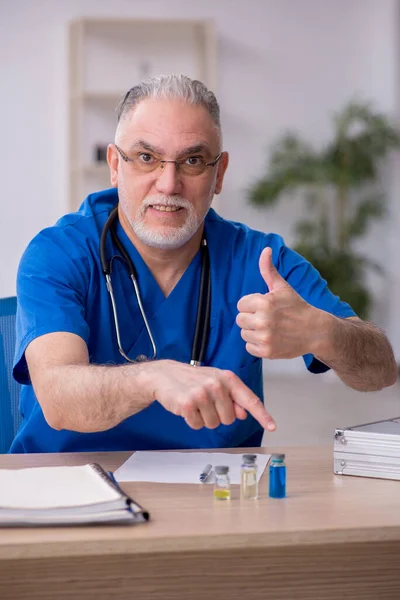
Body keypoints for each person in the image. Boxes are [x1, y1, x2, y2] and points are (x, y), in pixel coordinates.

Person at [10, 74, 397, 454]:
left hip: (212, 493)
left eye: (192, 160)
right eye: (146, 158)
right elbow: (59, 399)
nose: (168, 183)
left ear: (219, 173)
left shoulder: (260, 261)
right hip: (64, 485)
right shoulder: (59, 254)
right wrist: (153, 377)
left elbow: (381, 370)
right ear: (115, 164)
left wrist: (323, 332)